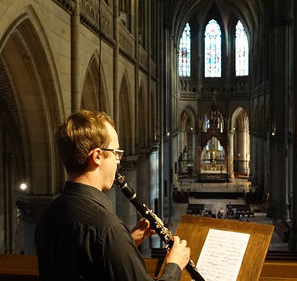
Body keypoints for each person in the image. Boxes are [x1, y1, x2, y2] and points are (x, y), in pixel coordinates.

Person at [35, 110, 190, 281]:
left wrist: (127, 242)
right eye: (116, 153)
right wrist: (174, 265)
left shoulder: (47, 216)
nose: (119, 160)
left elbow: (87, 266)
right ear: (98, 156)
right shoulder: (108, 228)